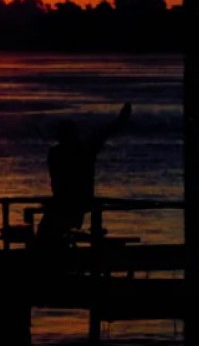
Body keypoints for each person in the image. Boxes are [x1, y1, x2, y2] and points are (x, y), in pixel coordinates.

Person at [36, 103, 131, 249]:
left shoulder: (59, 153)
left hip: (66, 204)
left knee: (45, 235)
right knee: (47, 234)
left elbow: (102, 134)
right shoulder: (82, 151)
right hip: (74, 202)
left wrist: (119, 121)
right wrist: (120, 121)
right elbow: (103, 134)